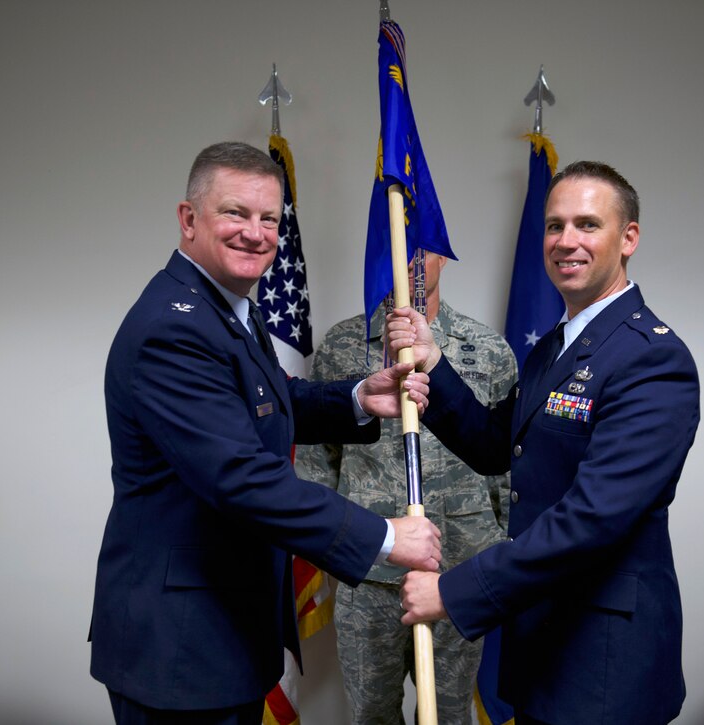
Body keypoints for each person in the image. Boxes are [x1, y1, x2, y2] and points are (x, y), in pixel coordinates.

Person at [89, 141, 442, 724]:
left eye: (269, 219)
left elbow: (264, 405)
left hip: (223, 630)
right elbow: (239, 476)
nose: (256, 233)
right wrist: (383, 537)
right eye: (235, 213)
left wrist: (358, 397)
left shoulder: (225, 308)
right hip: (180, 648)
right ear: (189, 219)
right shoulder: (172, 331)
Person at [390, 161, 701, 724]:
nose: (566, 242)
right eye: (555, 226)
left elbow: (593, 518)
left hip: (603, 658)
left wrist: (455, 592)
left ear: (628, 237)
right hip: (543, 641)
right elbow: (496, 446)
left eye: (587, 225)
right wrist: (434, 364)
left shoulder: (652, 359)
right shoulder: (555, 347)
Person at [295, 251, 518, 725]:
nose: (414, 260)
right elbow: (318, 460)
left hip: (457, 571)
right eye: (402, 245)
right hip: (368, 571)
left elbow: (507, 465)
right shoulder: (344, 344)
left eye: (426, 246)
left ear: (446, 255)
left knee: (450, 714)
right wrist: (333, 551)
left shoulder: (487, 347)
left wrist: (496, 547)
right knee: (371, 714)